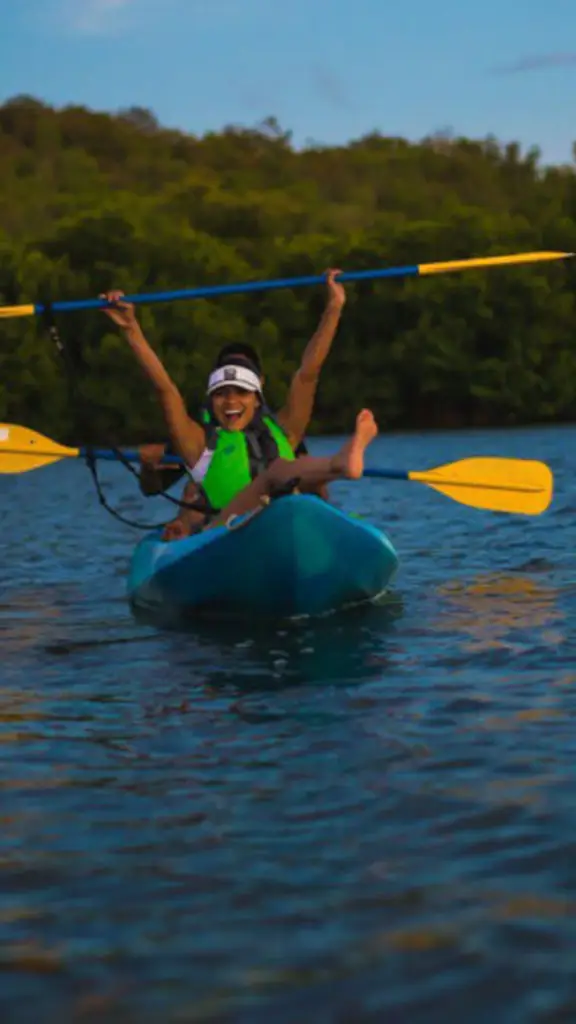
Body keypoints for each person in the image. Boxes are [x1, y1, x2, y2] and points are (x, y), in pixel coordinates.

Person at [101, 269, 346, 539]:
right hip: (228, 537)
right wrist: (130, 329)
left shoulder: (285, 431)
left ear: (257, 398)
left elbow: (309, 372)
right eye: (221, 393)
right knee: (195, 494)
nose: (231, 401)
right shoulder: (197, 444)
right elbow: (165, 389)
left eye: (241, 392)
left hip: (285, 531)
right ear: (210, 399)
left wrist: (333, 308)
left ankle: (335, 474)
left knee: (301, 480)